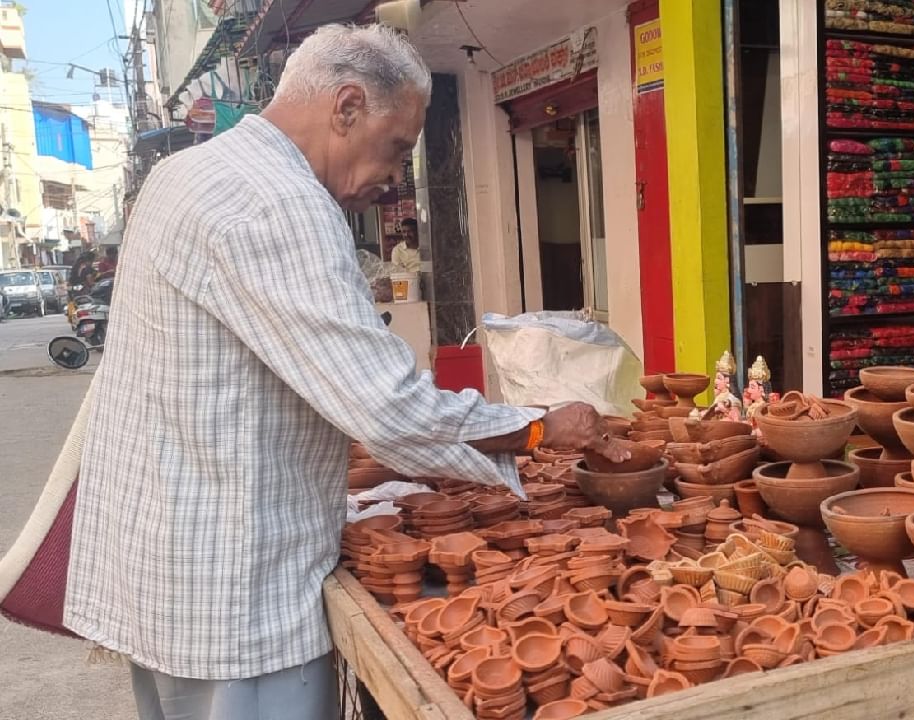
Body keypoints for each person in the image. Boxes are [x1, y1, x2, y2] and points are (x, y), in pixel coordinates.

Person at [62, 24, 627, 720]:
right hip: (237, 591)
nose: (395, 179)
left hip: (167, 565)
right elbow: (387, 409)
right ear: (348, 106)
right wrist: (536, 428)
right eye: (395, 149)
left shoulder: (189, 173)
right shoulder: (280, 202)